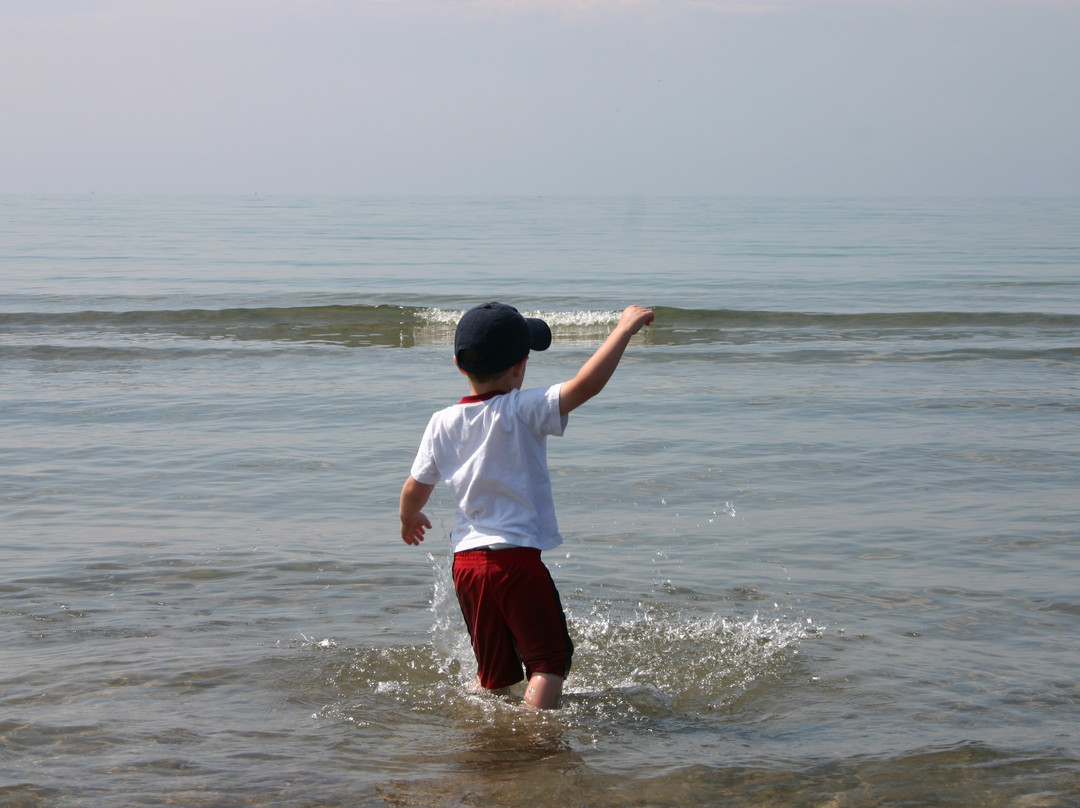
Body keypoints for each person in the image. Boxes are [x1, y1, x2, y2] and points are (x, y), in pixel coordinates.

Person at [399, 301, 655, 709]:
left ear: (459, 365)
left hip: (467, 566)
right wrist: (622, 329)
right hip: (515, 561)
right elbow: (585, 385)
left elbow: (415, 487)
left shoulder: (441, 421)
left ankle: (491, 740)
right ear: (520, 367)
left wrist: (409, 519)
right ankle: (535, 739)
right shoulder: (521, 408)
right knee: (548, 664)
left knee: (494, 673)